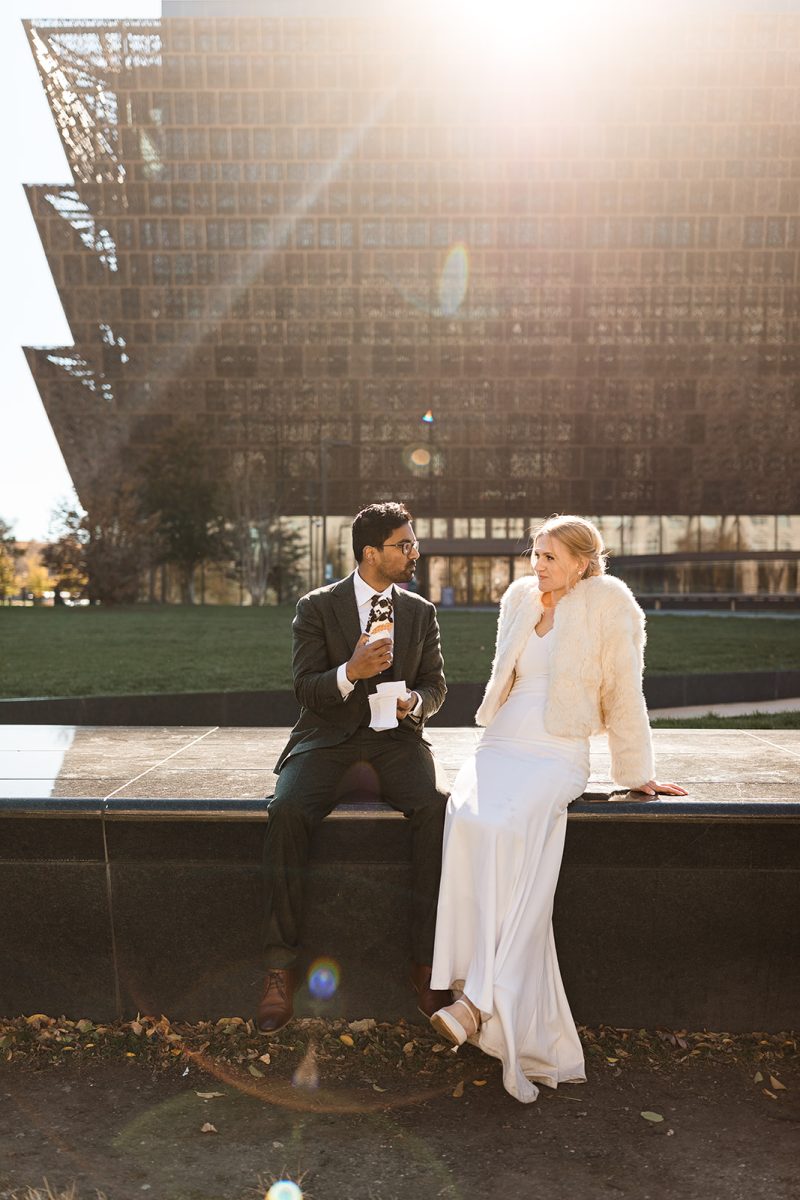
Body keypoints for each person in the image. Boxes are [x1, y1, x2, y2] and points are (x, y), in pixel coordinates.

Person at [429, 514, 687, 1103]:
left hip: (558, 749)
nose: (537, 566)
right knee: (467, 817)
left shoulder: (609, 603)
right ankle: (473, 990)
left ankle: (476, 1004)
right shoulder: (519, 597)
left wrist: (635, 772)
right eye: (535, 554)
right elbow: (507, 675)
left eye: (549, 557)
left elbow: (625, 688)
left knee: (515, 826)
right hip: (502, 741)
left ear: (580, 561)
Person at [258, 501, 451, 1032]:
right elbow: (305, 688)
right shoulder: (317, 607)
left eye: (413, 543)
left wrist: (415, 700)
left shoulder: (420, 612)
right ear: (371, 552)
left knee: (436, 811)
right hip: (328, 737)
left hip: (396, 739)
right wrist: (350, 670)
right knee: (288, 809)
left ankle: (427, 962)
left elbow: (437, 685)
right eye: (404, 545)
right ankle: (279, 969)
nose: (415, 552)